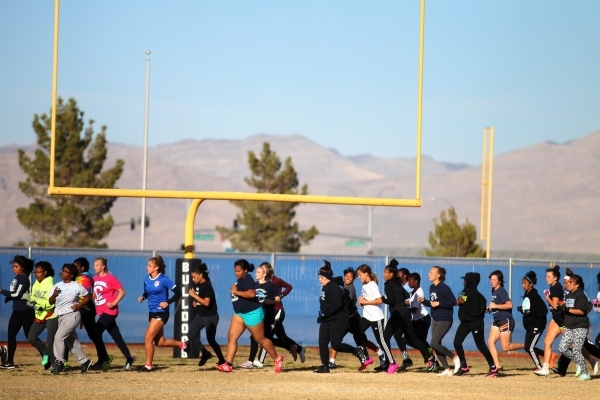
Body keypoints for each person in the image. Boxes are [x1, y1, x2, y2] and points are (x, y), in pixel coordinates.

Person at [216, 259, 283, 373]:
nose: (236, 273)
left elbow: (252, 293)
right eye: (235, 271)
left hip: (252, 313)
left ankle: (277, 359)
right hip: (239, 314)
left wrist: (236, 292)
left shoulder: (247, 279)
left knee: (260, 339)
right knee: (232, 337)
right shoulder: (240, 280)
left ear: (245, 270)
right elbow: (239, 292)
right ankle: (228, 364)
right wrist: (234, 292)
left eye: (239, 271)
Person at [243, 262, 305, 368]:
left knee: (266, 337)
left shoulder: (275, 282)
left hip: (277, 313)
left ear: (265, 272)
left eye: (260, 271)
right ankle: (297, 348)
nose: (257, 273)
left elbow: (288, 287)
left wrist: (280, 296)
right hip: (264, 313)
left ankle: (260, 361)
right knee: (282, 337)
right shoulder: (258, 284)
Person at [314, 260, 368, 373]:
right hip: (327, 319)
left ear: (328, 277)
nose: (320, 280)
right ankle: (325, 366)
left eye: (322, 278)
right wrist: (322, 314)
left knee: (336, 345)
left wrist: (325, 313)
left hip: (339, 319)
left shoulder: (333, 287)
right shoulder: (325, 287)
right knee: (322, 342)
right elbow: (325, 303)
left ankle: (356, 350)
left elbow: (337, 305)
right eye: (319, 277)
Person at [382, 260, 433, 372]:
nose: (383, 274)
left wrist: (381, 299)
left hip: (405, 316)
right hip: (404, 314)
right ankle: (412, 358)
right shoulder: (398, 285)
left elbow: (391, 301)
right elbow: (406, 295)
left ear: (391, 274)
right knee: (404, 337)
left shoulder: (389, 284)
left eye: (385, 272)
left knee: (385, 338)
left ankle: (392, 363)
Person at [329, 267, 383, 371]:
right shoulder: (344, 286)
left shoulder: (349, 288)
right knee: (339, 339)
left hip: (352, 319)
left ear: (353, 279)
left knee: (360, 339)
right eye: (346, 276)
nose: (348, 278)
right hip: (346, 319)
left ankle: (378, 353)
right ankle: (332, 361)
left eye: (351, 276)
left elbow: (348, 302)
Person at [137, 255, 185, 372]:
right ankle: (183, 345)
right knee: (160, 342)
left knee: (148, 338)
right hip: (152, 312)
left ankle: (148, 366)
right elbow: (148, 291)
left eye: (149, 265)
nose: (147, 267)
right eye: (147, 265)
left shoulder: (164, 280)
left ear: (156, 267)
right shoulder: (147, 279)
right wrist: (143, 296)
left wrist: (167, 302)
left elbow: (179, 292)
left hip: (161, 312)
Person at [48, 263, 93, 374]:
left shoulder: (76, 286)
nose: (62, 273)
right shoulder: (57, 286)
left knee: (58, 337)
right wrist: (54, 295)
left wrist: (79, 305)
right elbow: (50, 302)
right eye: (62, 270)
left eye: (66, 271)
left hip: (72, 315)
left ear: (71, 275)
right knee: (72, 341)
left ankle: (59, 362)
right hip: (60, 316)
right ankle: (85, 362)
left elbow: (88, 297)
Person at [92, 257, 135, 370]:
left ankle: (104, 359)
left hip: (110, 311)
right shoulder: (95, 278)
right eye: (94, 265)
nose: (94, 267)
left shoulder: (110, 278)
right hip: (101, 311)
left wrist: (114, 302)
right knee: (117, 336)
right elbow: (95, 293)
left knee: (96, 332)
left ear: (103, 266)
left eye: (97, 265)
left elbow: (122, 292)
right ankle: (129, 358)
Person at [453, 272, 497, 377]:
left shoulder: (477, 296)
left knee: (481, 345)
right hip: (465, 322)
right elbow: (462, 304)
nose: (464, 282)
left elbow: (476, 312)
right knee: (457, 342)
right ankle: (464, 366)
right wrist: (459, 302)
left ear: (470, 282)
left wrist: (464, 303)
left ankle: (493, 367)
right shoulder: (465, 292)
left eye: (465, 280)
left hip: (475, 323)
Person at [356, 264, 398, 374]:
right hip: (366, 316)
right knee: (357, 332)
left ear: (366, 274)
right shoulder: (364, 285)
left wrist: (365, 302)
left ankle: (392, 363)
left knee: (382, 341)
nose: (359, 277)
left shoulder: (372, 285)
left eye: (360, 275)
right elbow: (365, 299)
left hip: (376, 318)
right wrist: (361, 301)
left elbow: (379, 301)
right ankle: (367, 357)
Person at [419, 265, 458, 376]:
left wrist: (440, 303)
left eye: (431, 272)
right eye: (429, 272)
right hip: (435, 319)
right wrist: (424, 301)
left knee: (433, 343)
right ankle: (447, 369)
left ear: (438, 275)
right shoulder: (432, 288)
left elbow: (453, 302)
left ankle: (455, 357)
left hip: (445, 319)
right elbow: (433, 304)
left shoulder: (444, 288)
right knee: (436, 345)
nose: (429, 274)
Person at [240, 262, 281, 369]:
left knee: (261, 338)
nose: (256, 274)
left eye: (258, 272)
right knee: (255, 337)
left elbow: (277, 299)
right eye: (256, 272)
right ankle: (252, 361)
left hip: (268, 315)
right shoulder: (254, 285)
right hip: (257, 315)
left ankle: (275, 359)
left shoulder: (271, 286)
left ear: (264, 273)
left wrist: (270, 301)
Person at [73, 257, 110, 371]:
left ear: (82, 268)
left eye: (76, 266)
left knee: (94, 335)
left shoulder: (84, 278)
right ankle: (104, 358)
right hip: (82, 308)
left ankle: (104, 359)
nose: (74, 268)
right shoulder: (80, 277)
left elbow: (86, 296)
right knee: (93, 335)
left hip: (86, 309)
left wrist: (79, 308)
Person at [188, 262, 226, 367]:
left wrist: (194, 296)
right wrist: (196, 303)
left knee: (211, 340)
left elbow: (207, 302)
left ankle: (222, 360)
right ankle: (205, 353)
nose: (193, 279)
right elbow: (201, 301)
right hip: (201, 315)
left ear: (200, 275)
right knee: (191, 334)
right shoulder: (198, 285)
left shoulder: (207, 286)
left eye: (194, 277)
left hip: (211, 317)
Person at [0, 255, 35, 369]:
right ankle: (9, 362)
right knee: (11, 335)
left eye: (16, 266)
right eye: (13, 266)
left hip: (25, 311)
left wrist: (2, 291)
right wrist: (9, 296)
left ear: (23, 268)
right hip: (17, 310)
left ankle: (48, 355)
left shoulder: (23, 278)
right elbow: (15, 293)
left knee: (31, 337)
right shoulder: (17, 278)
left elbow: (17, 294)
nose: (14, 269)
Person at [486, 270, 523, 373]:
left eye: (494, 280)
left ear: (500, 281)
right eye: (491, 279)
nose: (492, 281)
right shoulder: (493, 290)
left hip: (505, 320)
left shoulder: (501, 291)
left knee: (506, 347)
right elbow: (495, 305)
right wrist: (489, 308)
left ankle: (527, 345)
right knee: (490, 342)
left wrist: (495, 306)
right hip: (497, 321)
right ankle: (497, 367)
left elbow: (510, 305)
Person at [558, 273, 593, 380]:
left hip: (580, 326)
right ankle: (578, 362)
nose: (568, 284)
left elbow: (582, 311)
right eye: (567, 283)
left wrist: (568, 309)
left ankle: (586, 373)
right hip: (571, 326)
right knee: (562, 348)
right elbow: (568, 307)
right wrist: (563, 307)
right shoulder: (569, 294)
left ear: (577, 285)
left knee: (577, 350)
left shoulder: (580, 295)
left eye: (571, 283)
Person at [26, 261, 56, 370]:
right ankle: (45, 353)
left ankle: (56, 366)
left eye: (39, 272)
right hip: (39, 315)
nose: (37, 274)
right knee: (31, 338)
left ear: (45, 272)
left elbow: (50, 302)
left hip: (50, 315)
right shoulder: (36, 284)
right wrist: (32, 301)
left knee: (52, 341)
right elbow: (34, 297)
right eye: (35, 272)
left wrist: (39, 303)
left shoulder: (50, 283)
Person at [535, 265, 564, 376]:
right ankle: (546, 368)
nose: (546, 278)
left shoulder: (556, 288)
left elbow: (555, 306)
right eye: (546, 276)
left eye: (549, 276)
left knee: (571, 345)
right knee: (547, 342)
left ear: (555, 278)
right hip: (555, 319)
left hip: (561, 320)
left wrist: (547, 298)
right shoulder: (553, 287)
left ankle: (589, 360)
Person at [517, 271, 547, 371]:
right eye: (522, 283)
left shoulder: (535, 295)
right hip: (530, 325)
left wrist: (530, 311)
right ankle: (548, 355)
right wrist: (522, 309)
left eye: (525, 283)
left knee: (530, 347)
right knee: (527, 347)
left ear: (531, 284)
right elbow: (529, 309)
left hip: (537, 324)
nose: (523, 285)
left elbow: (543, 310)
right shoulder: (526, 294)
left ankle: (539, 367)